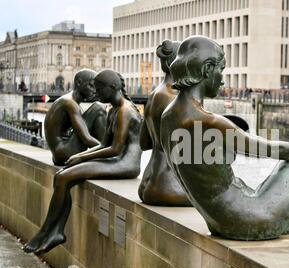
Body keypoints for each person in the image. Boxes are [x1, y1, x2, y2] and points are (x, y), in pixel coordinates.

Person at [160, 36, 289, 249]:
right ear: (207, 70)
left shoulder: (167, 117)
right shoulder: (208, 121)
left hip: (218, 221)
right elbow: (267, 149)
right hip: (247, 218)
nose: (222, 79)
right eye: (221, 70)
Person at [24, 70, 142, 254]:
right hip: (117, 159)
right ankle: (53, 231)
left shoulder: (124, 111)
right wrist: (81, 157)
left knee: (64, 178)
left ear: (112, 88)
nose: (97, 92)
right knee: (62, 176)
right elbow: (104, 144)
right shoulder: (115, 110)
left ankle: (48, 232)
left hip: (126, 163)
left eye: (100, 88)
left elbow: (115, 149)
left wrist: (82, 157)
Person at [138, 40, 192, 206]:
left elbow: (144, 143)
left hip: (148, 181)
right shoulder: (174, 97)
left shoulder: (154, 94)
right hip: (168, 186)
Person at [44, 69, 107, 166]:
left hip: (58, 155)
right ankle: (107, 154)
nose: (94, 91)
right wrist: (108, 151)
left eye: (95, 87)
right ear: (79, 83)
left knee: (95, 113)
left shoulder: (68, 100)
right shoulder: (71, 104)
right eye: (91, 85)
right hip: (65, 153)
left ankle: (106, 149)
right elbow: (86, 138)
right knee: (99, 108)